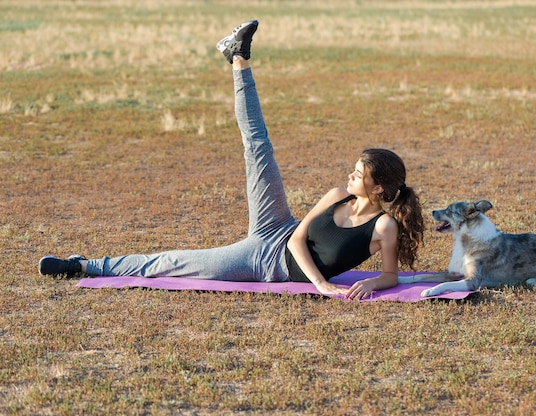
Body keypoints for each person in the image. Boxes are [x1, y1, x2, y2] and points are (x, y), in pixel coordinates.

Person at [38, 20, 425, 300]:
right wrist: (322, 284)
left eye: (359, 174)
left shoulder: (385, 226)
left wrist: (373, 282)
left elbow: (389, 275)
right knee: (258, 146)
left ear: (379, 188)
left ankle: (84, 264)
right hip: (277, 229)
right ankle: (238, 56)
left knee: (173, 262)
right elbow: (295, 238)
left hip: (264, 264)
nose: (350, 174)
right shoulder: (337, 194)